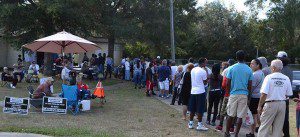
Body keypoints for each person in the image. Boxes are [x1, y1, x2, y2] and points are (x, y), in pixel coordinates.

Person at [257, 59, 293, 137]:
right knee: (278, 129)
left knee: (264, 127)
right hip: (282, 104)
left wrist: (260, 106)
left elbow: (264, 94)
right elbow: (288, 94)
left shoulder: (269, 77)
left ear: (273, 67)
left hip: (270, 103)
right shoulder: (286, 78)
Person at [224, 50, 253, 137]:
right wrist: (248, 96)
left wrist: (228, 94)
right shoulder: (249, 69)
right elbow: (250, 85)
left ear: (236, 57)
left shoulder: (232, 68)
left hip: (233, 94)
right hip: (244, 94)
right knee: (240, 116)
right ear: (244, 57)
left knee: (230, 114)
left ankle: (227, 133)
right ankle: (236, 134)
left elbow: (228, 82)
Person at [188, 58, 208, 131]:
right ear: (202, 63)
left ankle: (190, 123)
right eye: (205, 63)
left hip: (193, 91)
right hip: (200, 91)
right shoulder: (203, 71)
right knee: (200, 109)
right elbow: (205, 82)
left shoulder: (193, 69)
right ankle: (199, 124)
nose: (206, 64)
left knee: (192, 108)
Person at [216, 59, 235, 132]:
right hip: (235, 93)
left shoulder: (227, 70)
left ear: (228, 63)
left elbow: (223, 83)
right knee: (233, 110)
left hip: (227, 93)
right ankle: (232, 127)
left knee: (223, 109)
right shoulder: (240, 69)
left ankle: (220, 125)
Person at [247, 59, 265, 137]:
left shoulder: (254, 74)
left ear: (258, 65)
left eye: (252, 64)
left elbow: (251, 88)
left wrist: (248, 98)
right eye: (250, 64)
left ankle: (252, 133)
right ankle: (260, 129)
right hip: (259, 96)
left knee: (253, 115)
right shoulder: (262, 73)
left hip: (254, 97)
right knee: (257, 114)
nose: (251, 65)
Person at [277, 51, 292, 137]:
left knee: (279, 119)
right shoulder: (289, 70)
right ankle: (286, 134)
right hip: (285, 98)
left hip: (278, 98)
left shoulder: (280, 71)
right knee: (285, 118)